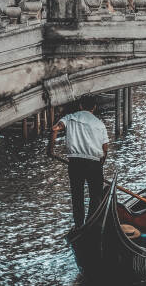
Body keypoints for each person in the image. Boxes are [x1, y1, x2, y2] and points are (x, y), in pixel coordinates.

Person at [47, 95, 109, 227]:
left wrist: (51, 151)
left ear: (80, 105)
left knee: (77, 197)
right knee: (96, 197)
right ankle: (91, 223)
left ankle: (79, 225)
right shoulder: (100, 124)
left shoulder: (70, 118)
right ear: (94, 107)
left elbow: (54, 129)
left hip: (75, 163)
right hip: (94, 163)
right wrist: (100, 164)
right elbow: (105, 150)